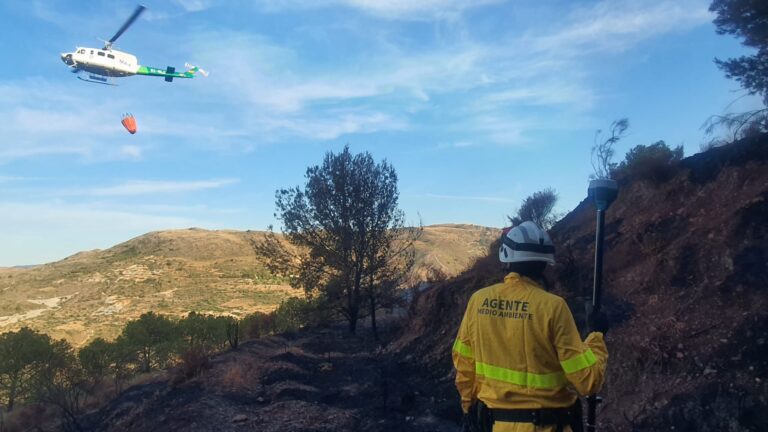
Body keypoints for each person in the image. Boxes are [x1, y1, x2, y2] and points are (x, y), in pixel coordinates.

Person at [452, 221, 609, 432]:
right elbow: (587, 381)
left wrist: (468, 406)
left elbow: (464, 362)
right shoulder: (553, 307)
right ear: (544, 264)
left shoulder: (478, 301)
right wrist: (596, 336)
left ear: (506, 258)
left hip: (493, 425)